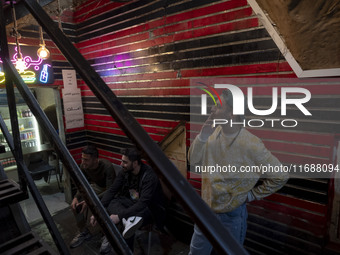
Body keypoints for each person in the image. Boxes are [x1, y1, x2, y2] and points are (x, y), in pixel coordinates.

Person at [188, 89, 289, 254]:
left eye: (218, 106)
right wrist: (202, 137)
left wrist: (251, 195)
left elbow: (280, 175)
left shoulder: (251, 144)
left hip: (231, 217)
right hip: (205, 211)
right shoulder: (211, 134)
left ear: (232, 114)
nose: (212, 109)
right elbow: (192, 160)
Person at [90, 147, 165, 254]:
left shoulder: (149, 176)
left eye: (125, 162)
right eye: (122, 161)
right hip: (132, 205)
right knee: (113, 202)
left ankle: (122, 242)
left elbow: (143, 203)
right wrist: (98, 210)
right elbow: (112, 190)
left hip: (149, 210)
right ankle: (127, 224)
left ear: (135, 163)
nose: (121, 164)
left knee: (126, 217)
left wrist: (119, 216)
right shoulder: (125, 171)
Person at [69, 145, 116, 248]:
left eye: (86, 159)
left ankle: (102, 233)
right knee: (76, 205)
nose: (83, 161)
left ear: (95, 160)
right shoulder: (84, 166)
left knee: (97, 205)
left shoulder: (107, 167)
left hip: (109, 191)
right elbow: (82, 184)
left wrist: (91, 200)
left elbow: (110, 191)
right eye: (82, 158)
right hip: (97, 187)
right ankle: (83, 231)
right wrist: (76, 197)